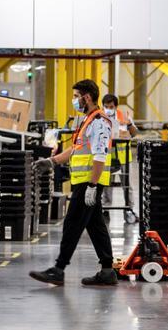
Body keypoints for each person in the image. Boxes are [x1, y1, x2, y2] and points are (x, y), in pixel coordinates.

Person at [29, 79, 117, 287]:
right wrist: (51, 161)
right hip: (84, 182)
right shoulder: (87, 120)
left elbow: (99, 156)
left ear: (87, 97)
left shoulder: (99, 122)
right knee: (95, 226)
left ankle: (58, 270)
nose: (75, 101)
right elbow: (75, 150)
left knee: (72, 224)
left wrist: (93, 187)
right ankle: (107, 270)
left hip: (88, 183)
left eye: (77, 97)